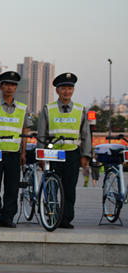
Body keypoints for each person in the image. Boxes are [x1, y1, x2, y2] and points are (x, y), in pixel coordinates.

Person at [36, 73, 91, 229]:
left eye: (70, 88)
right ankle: (51, 214)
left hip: (72, 152)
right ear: (57, 90)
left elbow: (86, 134)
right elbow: (41, 134)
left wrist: (85, 155)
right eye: (63, 88)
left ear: (73, 90)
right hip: (52, 153)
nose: (67, 91)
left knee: (69, 187)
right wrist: (41, 155)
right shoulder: (48, 109)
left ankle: (65, 218)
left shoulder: (80, 109)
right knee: (51, 186)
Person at [0, 71, 31, 228]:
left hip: (14, 154)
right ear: (1, 87)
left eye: (13, 85)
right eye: (6, 84)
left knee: (12, 188)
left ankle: (8, 218)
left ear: (16, 88)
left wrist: (23, 153)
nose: (9, 87)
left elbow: (25, 132)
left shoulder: (23, 108)